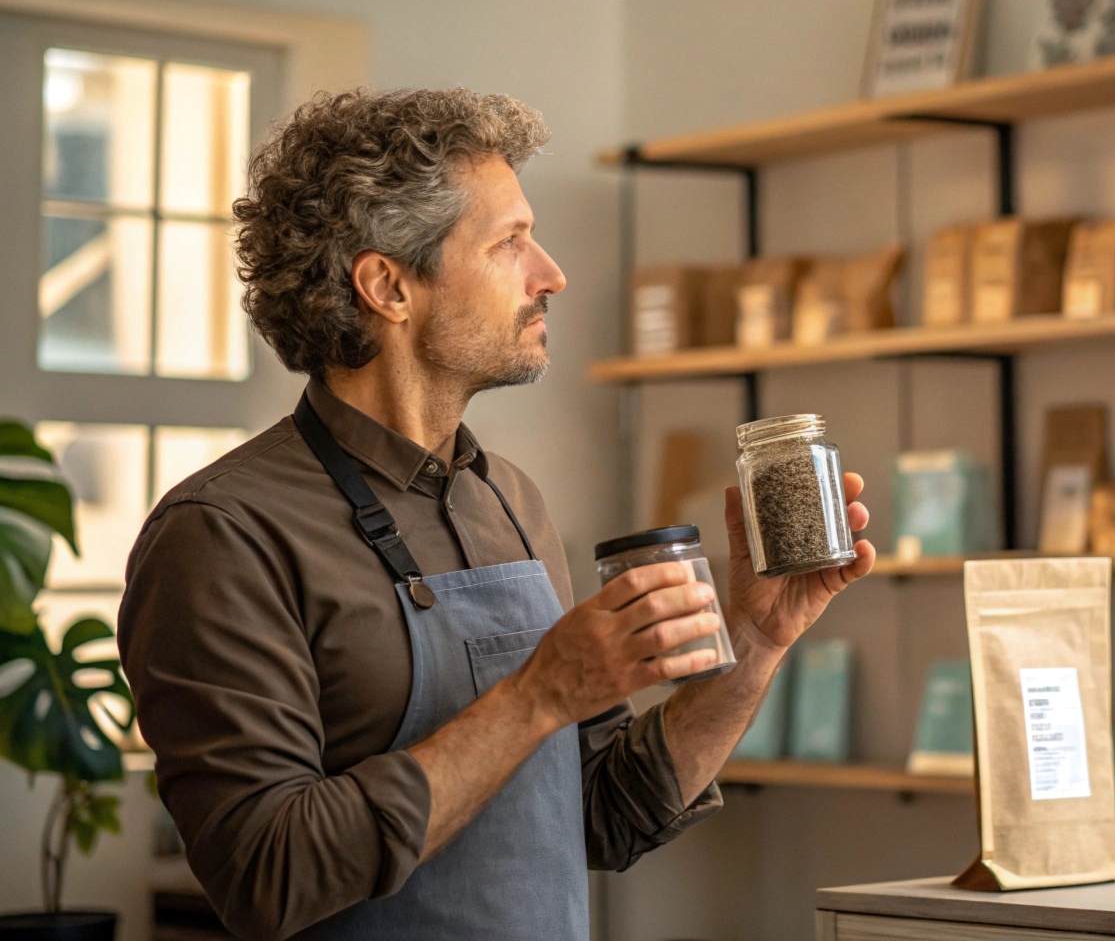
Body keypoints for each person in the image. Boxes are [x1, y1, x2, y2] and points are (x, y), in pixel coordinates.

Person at [118, 88, 875, 941]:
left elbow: (601, 813)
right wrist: (537, 696)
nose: (550, 273)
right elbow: (267, 874)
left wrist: (757, 642)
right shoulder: (223, 534)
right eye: (509, 243)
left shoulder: (508, 500)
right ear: (388, 287)